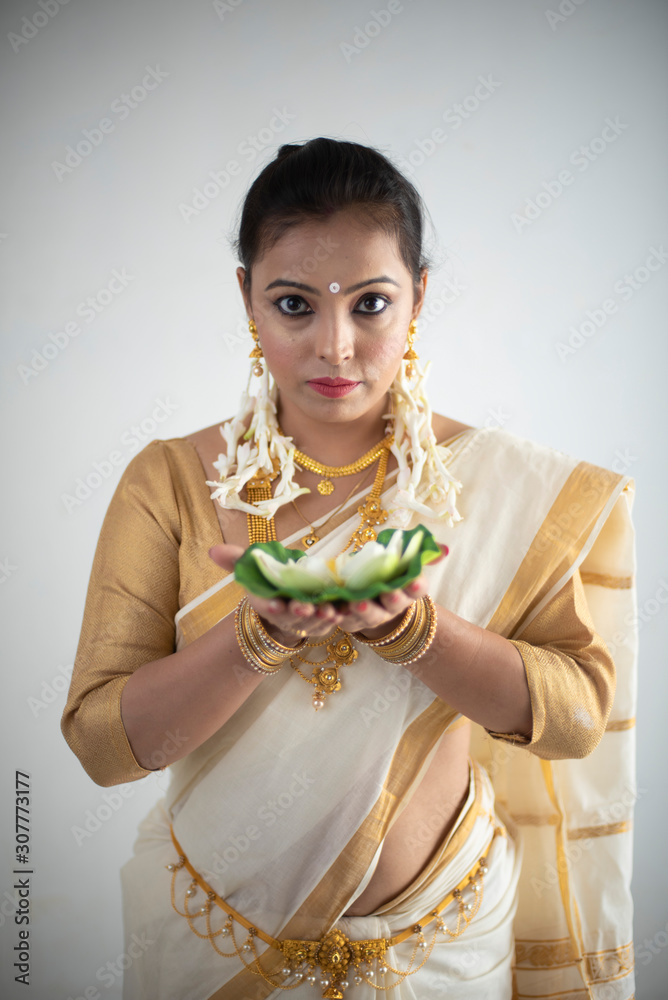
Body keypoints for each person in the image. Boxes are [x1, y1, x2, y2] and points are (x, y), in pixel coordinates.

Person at [62, 138, 637, 1000]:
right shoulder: (172, 481)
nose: (335, 345)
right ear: (247, 301)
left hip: (445, 950)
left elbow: (575, 721)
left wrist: (417, 632)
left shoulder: (507, 487)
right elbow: (104, 748)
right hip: (214, 949)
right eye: (293, 303)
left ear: (419, 299)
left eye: (371, 303)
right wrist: (254, 638)